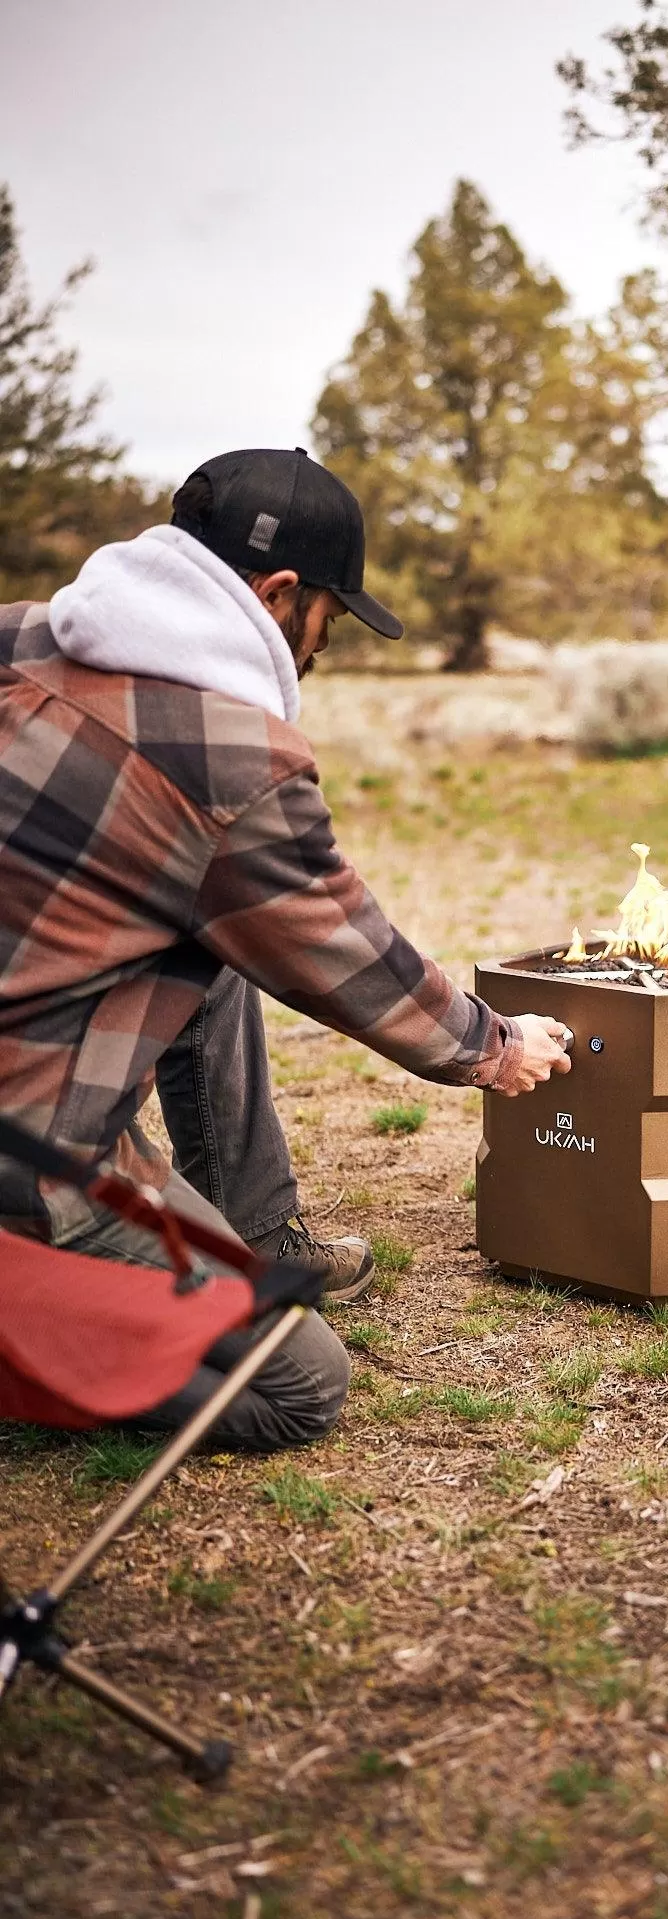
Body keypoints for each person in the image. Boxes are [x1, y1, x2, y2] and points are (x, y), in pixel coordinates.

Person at [0, 446, 572, 1450]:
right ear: (275, 593)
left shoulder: (15, 641)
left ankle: (258, 1236)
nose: (325, 647)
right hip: (28, 1153)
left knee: (204, 961)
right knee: (300, 1382)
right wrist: (496, 1044)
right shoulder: (229, 762)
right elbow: (346, 951)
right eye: (330, 618)